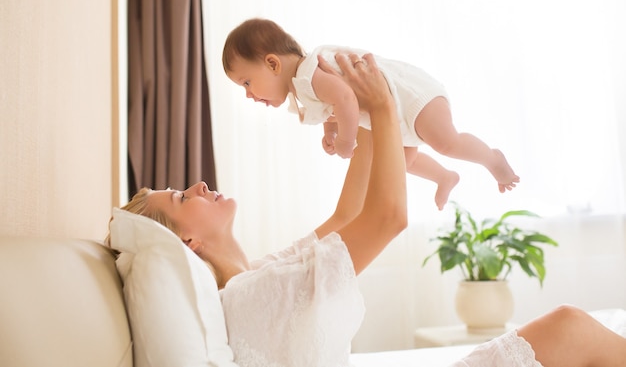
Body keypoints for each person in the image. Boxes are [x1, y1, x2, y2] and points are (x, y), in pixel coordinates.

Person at [112, 53, 626, 367]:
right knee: (569, 327)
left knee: (570, 331)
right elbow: (386, 219)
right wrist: (380, 108)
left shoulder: (260, 274)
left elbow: (346, 217)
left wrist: (362, 123)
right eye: (182, 198)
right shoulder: (252, 296)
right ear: (188, 244)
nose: (199, 184)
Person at [221, 18, 520, 210]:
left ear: (273, 64)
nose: (248, 94)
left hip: (412, 97)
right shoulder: (305, 84)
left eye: (246, 82)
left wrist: (346, 142)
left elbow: (346, 100)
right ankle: (444, 176)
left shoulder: (310, 73)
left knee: (446, 142)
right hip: (395, 114)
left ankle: (492, 158)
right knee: (399, 162)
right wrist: (331, 131)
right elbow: (333, 107)